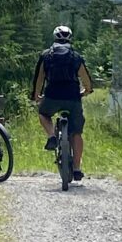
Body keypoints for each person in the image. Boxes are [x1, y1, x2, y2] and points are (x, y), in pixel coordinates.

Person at [31, 25, 93, 182]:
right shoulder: (75, 56)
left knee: (43, 113)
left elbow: (39, 77)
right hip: (73, 97)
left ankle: (52, 136)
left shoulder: (46, 55)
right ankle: (77, 168)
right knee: (76, 132)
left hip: (52, 95)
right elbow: (86, 78)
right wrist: (86, 91)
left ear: (54, 38)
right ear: (70, 38)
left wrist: (36, 95)